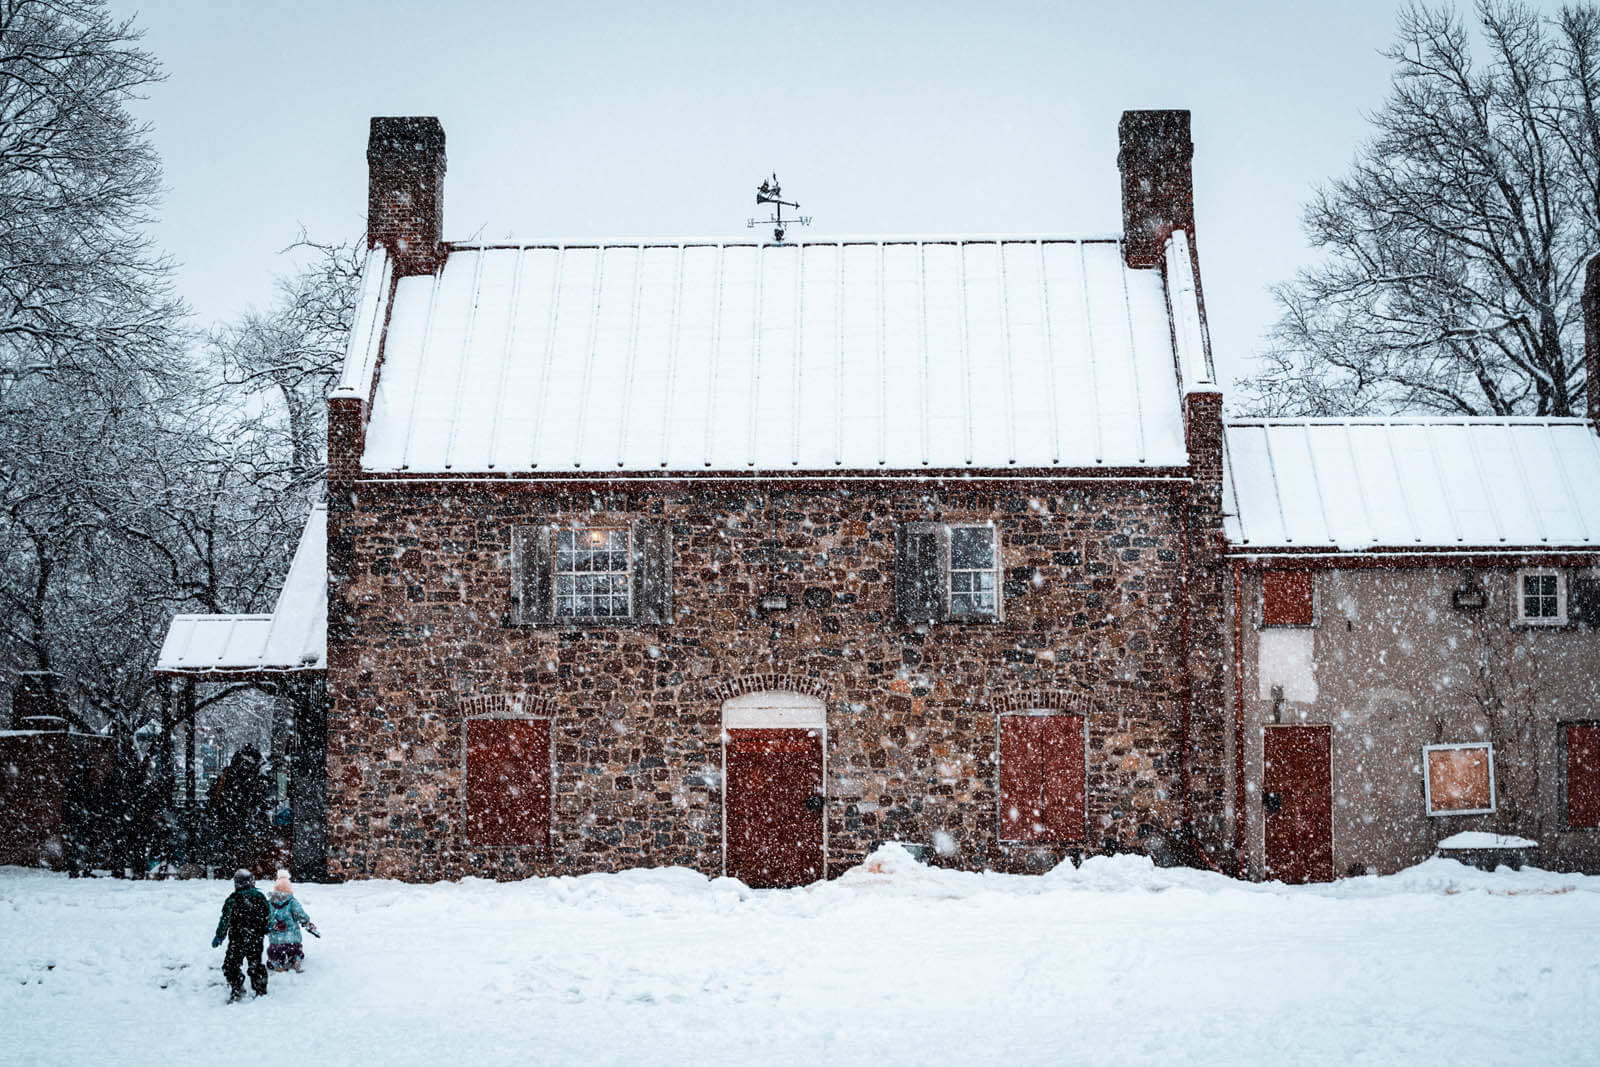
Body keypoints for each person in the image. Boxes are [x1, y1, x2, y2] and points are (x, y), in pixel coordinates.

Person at [212, 868, 270, 1002]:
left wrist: (220, 935)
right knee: (255, 964)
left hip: (237, 939)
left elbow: (225, 920)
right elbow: (268, 914)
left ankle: (237, 988)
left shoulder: (233, 900)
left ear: (237, 883)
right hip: (256, 938)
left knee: (231, 965)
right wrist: (266, 927)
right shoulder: (259, 897)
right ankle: (260, 990)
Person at [265, 868, 318, 972]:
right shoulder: (292, 902)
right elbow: (300, 914)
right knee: (295, 950)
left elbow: (266, 918)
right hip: (292, 938)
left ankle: (276, 962)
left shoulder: (269, 903)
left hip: (276, 939)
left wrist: (274, 924)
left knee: (275, 952)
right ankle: (295, 959)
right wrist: (306, 922)